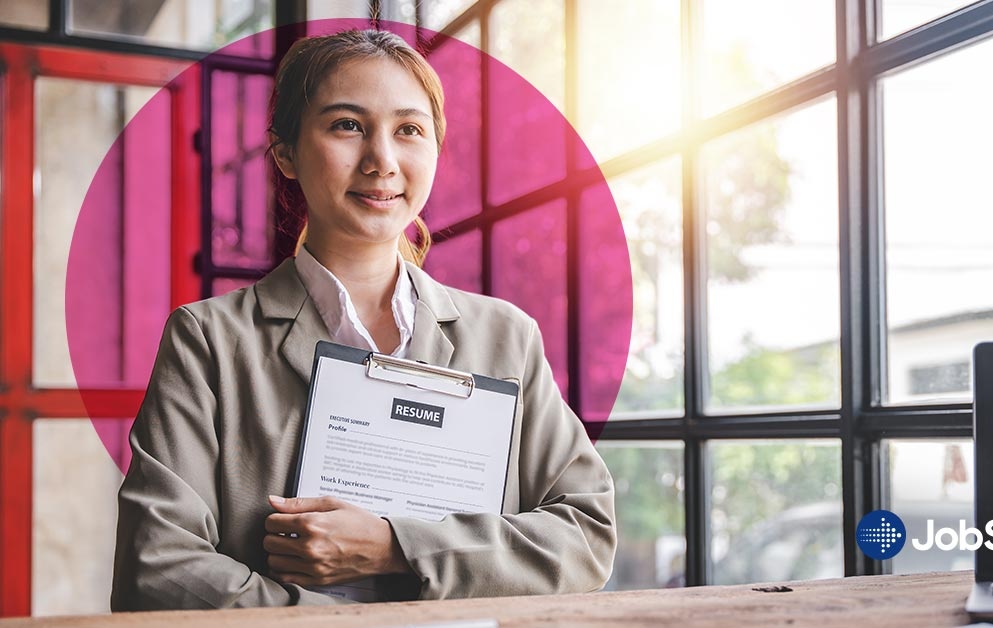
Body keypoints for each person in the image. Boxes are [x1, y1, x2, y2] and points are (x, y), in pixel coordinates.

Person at [111, 28, 616, 610]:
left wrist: (395, 547)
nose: (382, 160)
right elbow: (158, 567)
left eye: (408, 130)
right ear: (286, 155)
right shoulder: (209, 341)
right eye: (347, 125)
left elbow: (586, 537)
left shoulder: (506, 337)